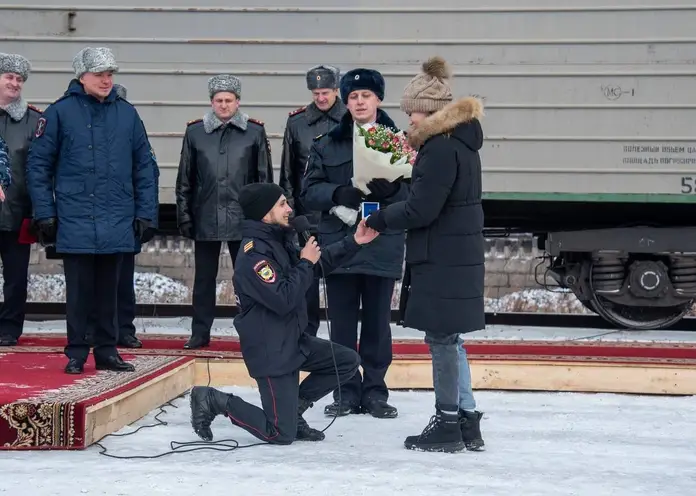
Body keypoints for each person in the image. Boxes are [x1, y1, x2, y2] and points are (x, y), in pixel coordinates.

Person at [190, 182, 379, 445]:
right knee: (279, 433)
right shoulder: (254, 254)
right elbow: (284, 298)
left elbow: (315, 265)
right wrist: (304, 262)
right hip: (271, 351)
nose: (289, 208)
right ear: (264, 213)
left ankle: (293, 411)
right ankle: (214, 400)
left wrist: (355, 241)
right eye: (281, 204)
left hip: (291, 341)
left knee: (346, 361)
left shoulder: (278, 239)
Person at [365, 56, 486, 452]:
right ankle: (467, 421)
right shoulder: (461, 143)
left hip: (441, 256)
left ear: (430, 111)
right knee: (452, 339)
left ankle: (447, 423)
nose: (409, 119)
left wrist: (379, 219)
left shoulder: (440, 149)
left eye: (412, 112)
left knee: (442, 340)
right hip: (454, 250)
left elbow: (421, 210)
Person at [26, 46, 158, 374]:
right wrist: (45, 213)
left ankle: (107, 350)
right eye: (100, 74)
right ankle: (76, 352)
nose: (106, 80)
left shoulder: (127, 114)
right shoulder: (58, 113)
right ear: (82, 76)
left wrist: (146, 212)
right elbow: (38, 166)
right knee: (80, 291)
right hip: (75, 219)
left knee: (110, 292)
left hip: (117, 219)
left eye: (110, 74)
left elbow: (145, 166)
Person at [301, 68, 409, 419]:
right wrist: (337, 192)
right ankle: (345, 390)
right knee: (343, 324)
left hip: (382, 241)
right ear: (344, 101)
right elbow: (308, 191)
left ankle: (376, 391)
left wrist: (394, 189)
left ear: (378, 99)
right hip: (340, 245)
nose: (359, 102)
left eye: (366, 95)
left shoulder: (399, 142)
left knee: (378, 323)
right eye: (353, 97)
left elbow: (418, 194)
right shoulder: (327, 143)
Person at [175, 74, 274, 350]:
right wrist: (183, 214)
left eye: (228, 100)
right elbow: (185, 178)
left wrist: (264, 217)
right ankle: (200, 332)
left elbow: (264, 178)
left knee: (248, 277)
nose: (223, 105)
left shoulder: (254, 132)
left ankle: (253, 331)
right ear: (211, 102)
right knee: (203, 279)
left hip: (243, 219)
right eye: (218, 100)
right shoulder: (195, 132)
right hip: (205, 215)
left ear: (238, 102)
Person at [279, 64, 347, 337]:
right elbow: (287, 172)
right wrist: (290, 213)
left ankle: (340, 337)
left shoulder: (349, 120)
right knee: (305, 279)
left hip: (340, 213)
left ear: (336, 90)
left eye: (326, 92)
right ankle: (306, 334)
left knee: (339, 280)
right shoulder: (296, 123)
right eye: (316, 92)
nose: (320, 98)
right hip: (306, 214)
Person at [0, 53, 41, 347]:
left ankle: (10, 328)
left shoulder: (33, 121)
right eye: (9, 77)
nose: (15, 83)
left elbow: (40, 169)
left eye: (19, 79)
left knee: (16, 278)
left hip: (17, 212)